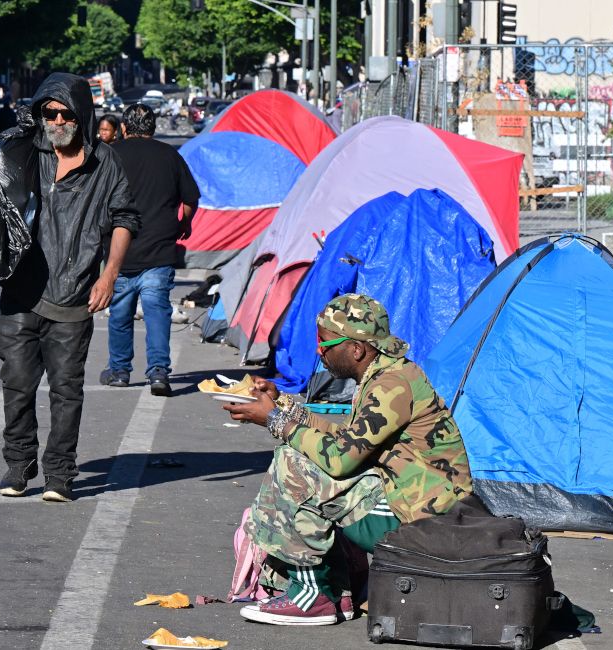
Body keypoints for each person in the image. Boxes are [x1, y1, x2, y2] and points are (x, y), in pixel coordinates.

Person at [224, 294, 473, 625]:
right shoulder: (386, 375)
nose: (319, 351)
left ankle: (312, 596)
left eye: (326, 343)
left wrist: (277, 423)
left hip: (424, 519)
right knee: (304, 455)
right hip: (412, 502)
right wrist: (282, 404)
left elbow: (340, 459)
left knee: (296, 465)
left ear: (356, 349)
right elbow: (348, 441)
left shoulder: (393, 385)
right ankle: (338, 595)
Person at [0, 72, 140, 503]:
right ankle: (19, 466)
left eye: (65, 113)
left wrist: (109, 274)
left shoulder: (105, 163)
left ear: (82, 115)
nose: (56, 121)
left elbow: (124, 219)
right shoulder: (23, 149)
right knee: (17, 383)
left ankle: (60, 474)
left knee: (66, 390)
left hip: (75, 293)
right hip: (21, 290)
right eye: (48, 113)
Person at [98, 104, 199, 396]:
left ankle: (119, 371)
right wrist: (185, 224)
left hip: (121, 253)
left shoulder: (110, 155)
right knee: (157, 314)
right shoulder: (170, 155)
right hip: (160, 251)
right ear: (153, 129)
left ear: (124, 129)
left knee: (120, 314)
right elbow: (190, 197)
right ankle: (158, 372)